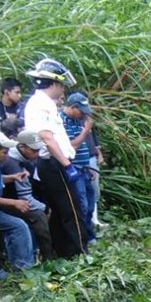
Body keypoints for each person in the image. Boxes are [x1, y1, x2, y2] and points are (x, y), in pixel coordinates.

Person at [22, 58, 86, 257]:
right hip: (54, 162)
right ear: (55, 83)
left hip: (53, 163)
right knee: (71, 209)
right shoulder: (41, 104)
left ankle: (63, 251)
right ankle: (78, 252)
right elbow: (47, 138)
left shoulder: (44, 103)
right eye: (62, 86)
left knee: (59, 210)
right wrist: (67, 165)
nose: (63, 90)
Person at [0, 132, 36, 273]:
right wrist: (14, 203)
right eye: (4, 152)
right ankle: (23, 267)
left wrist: (13, 177)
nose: (7, 155)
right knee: (19, 226)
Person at [10, 129, 54, 260]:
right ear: (21, 146)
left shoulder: (26, 157)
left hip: (23, 195)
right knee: (40, 215)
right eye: (34, 150)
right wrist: (44, 208)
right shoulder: (13, 164)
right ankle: (47, 258)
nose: (37, 153)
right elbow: (25, 198)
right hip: (12, 201)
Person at [61, 92, 95, 242]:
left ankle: (89, 234)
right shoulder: (62, 121)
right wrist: (86, 131)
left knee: (90, 203)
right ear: (73, 107)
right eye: (81, 111)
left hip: (84, 168)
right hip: (74, 168)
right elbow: (71, 146)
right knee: (81, 205)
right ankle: (84, 238)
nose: (83, 115)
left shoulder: (77, 120)